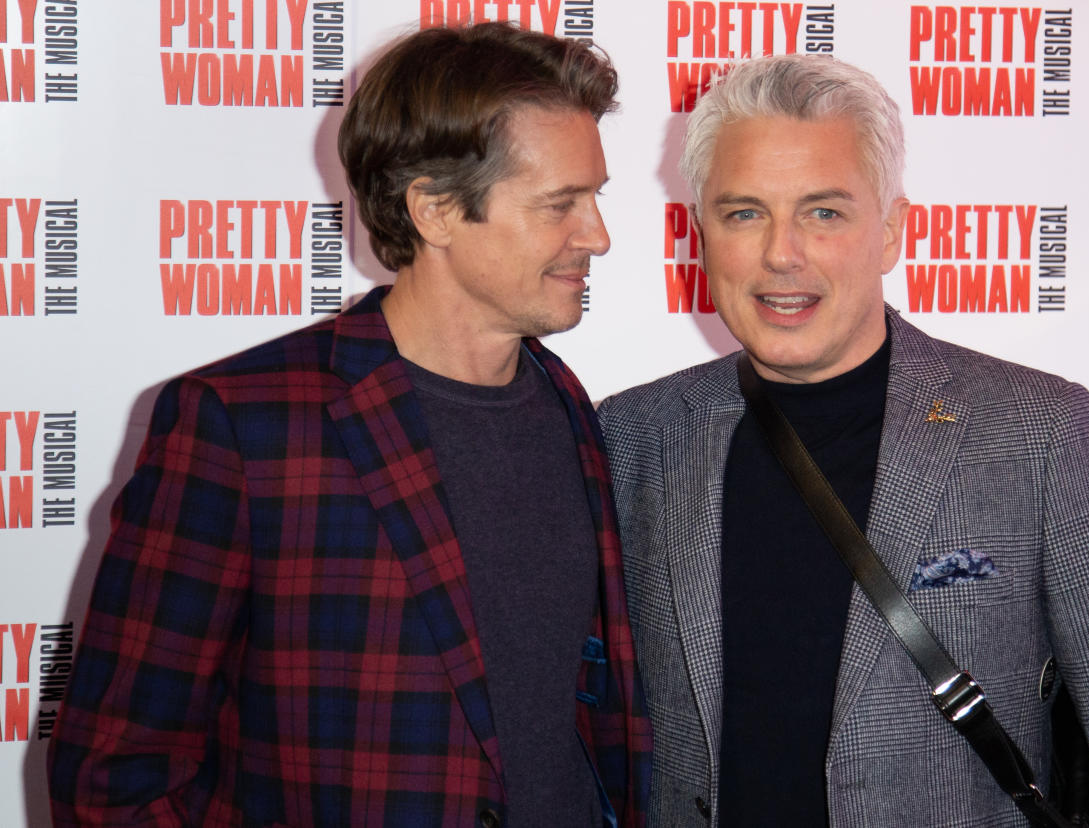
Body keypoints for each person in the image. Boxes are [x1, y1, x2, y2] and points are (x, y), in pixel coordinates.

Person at [48, 22, 649, 827]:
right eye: (559, 205)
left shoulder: (572, 410)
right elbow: (115, 775)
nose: (598, 237)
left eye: (596, 198)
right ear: (434, 209)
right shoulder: (241, 425)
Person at [597, 54, 1089, 826]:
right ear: (701, 234)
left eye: (824, 212)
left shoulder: (1039, 434)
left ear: (890, 231)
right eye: (744, 212)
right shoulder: (632, 437)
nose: (782, 253)